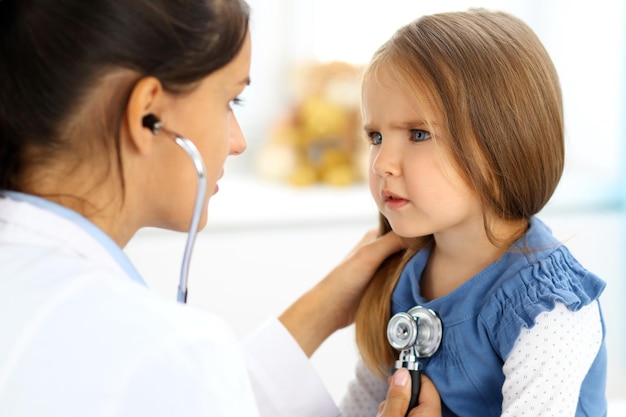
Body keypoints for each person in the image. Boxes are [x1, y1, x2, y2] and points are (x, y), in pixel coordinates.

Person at [0, 0, 439, 416]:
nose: (238, 142)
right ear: (146, 115)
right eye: (230, 101)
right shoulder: (155, 351)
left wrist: (325, 306)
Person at [340, 8, 607, 417]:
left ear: (504, 140)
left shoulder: (546, 309)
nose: (382, 164)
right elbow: (358, 408)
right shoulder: (403, 274)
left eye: (418, 134)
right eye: (376, 136)